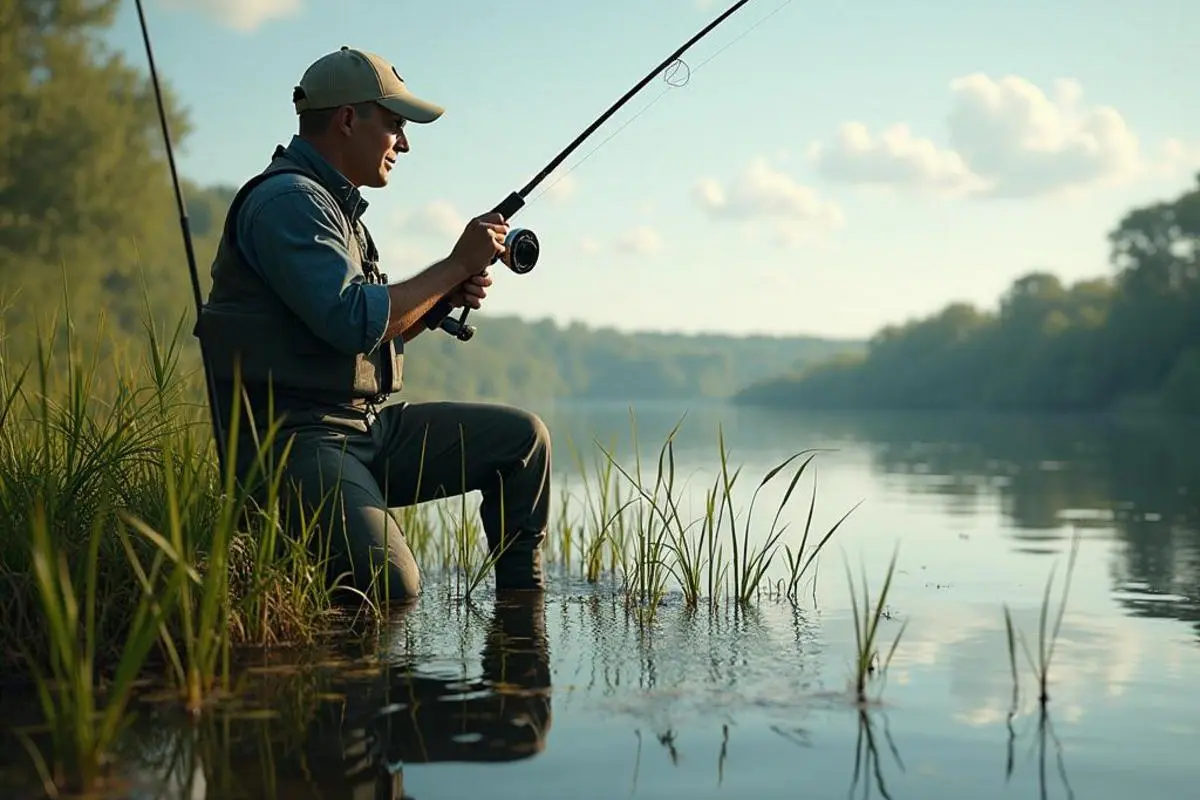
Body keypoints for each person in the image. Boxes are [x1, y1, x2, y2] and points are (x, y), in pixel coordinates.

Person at [195, 46, 550, 601]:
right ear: (347, 119)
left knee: (522, 441)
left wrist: (435, 303)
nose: (403, 144)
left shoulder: (337, 211)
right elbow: (351, 318)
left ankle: (522, 625)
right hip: (294, 442)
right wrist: (455, 264)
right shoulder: (289, 202)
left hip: (361, 430)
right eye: (394, 125)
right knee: (391, 585)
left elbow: (357, 332)